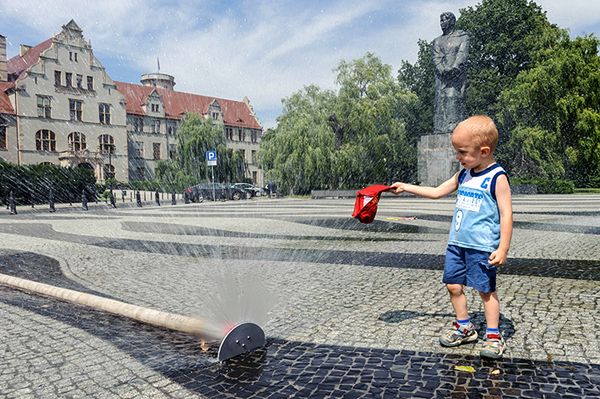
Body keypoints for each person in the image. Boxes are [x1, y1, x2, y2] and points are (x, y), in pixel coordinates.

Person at [391, 115, 513, 359]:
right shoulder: (464, 174)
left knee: (486, 291)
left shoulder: (497, 177)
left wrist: (503, 248)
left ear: (484, 151)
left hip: (482, 247)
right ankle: (464, 326)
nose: (458, 157)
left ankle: (493, 335)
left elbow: (506, 213)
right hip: (457, 245)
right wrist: (407, 186)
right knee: (453, 286)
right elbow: (437, 192)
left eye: (462, 152)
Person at [432, 12, 469, 134]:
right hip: (442, 77)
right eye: (440, 20)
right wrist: (443, 69)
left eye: (445, 20)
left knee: (453, 97)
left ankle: (455, 126)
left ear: (452, 21)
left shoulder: (462, 37)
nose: (442, 23)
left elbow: (462, 54)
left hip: (456, 75)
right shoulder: (437, 41)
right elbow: (436, 58)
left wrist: (453, 68)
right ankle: (440, 128)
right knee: (440, 100)